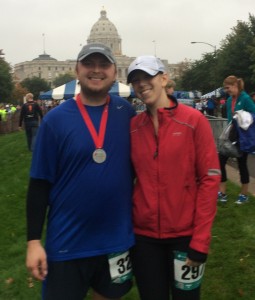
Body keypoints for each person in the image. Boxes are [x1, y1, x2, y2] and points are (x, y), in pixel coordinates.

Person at [25, 43, 135, 300]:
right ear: (77, 70)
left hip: (117, 243)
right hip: (68, 243)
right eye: (89, 64)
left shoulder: (127, 113)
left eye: (103, 64)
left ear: (113, 70)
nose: (96, 70)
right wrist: (32, 242)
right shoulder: (55, 121)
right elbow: (39, 185)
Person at [127, 55, 221, 300]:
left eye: (147, 76)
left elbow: (209, 181)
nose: (141, 83)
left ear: (164, 78)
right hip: (144, 239)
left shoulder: (194, 121)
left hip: (185, 236)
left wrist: (200, 241)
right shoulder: (133, 127)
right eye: (135, 79)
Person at [218, 75, 255, 204]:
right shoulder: (229, 100)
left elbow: (253, 114)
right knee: (220, 160)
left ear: (235, 86)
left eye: (228, 87)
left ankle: (244, 194)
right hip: (230, 136)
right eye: (225, 88)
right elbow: (229, 119)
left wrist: (244, 117)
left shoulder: (245, 98)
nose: (226, 90)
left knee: (242, 164)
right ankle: (222, 192)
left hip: (242, 137)